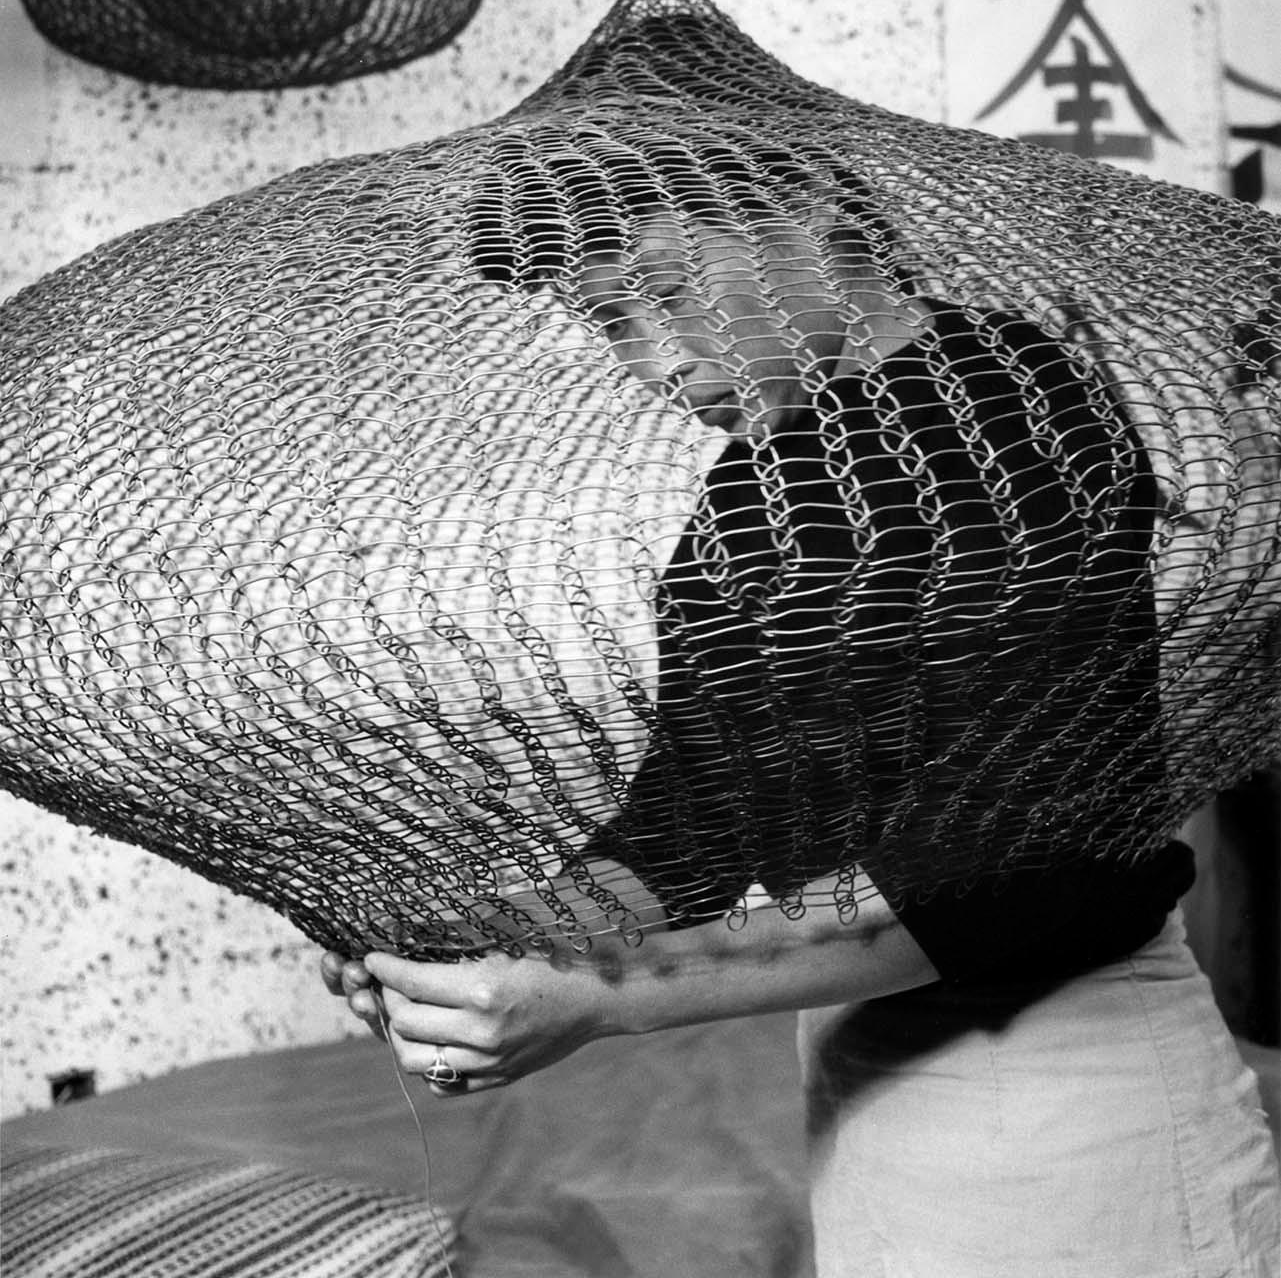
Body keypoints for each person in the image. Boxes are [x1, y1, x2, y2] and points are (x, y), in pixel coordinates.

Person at [323, 167, 1280, 1276]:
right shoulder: (756, 493)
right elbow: (695, 818)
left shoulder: (1009, 402)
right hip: (860, 1063)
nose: (657, 363)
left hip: (1062, 1100)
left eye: (668, 294)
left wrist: (596, 998)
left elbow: (1020, 864)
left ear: (819, 225)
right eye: (608, 324)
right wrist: (493, 937)